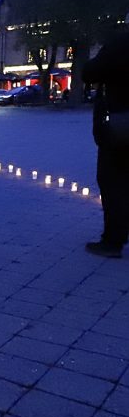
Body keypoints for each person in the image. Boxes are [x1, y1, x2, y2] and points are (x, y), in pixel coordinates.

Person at [83, 25, 129, 258]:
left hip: (121, 125)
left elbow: (90, 73)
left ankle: (113, 240)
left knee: (113, 181)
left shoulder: (120, 43)